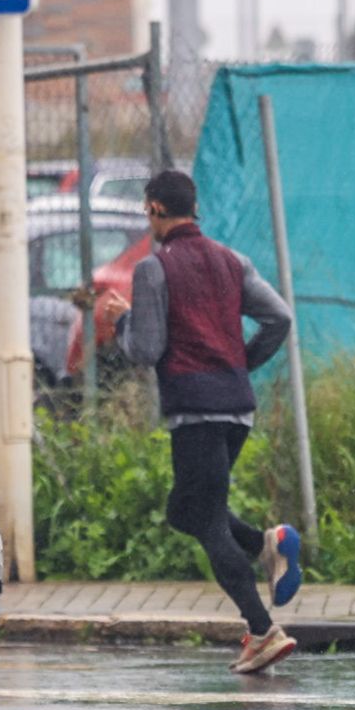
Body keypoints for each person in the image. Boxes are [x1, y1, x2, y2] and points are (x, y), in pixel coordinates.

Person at [99, 169, 305, 675]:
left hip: (194, 410)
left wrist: (121, 320)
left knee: (207, 519)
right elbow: (279, 318)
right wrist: (238, 364)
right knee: (185, 511)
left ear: (152, 209)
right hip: (237, 408)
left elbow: (145, 349)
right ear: (194, 208)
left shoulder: (154, 269)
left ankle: (262, 631)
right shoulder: (232, 261)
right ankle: (266, 544)